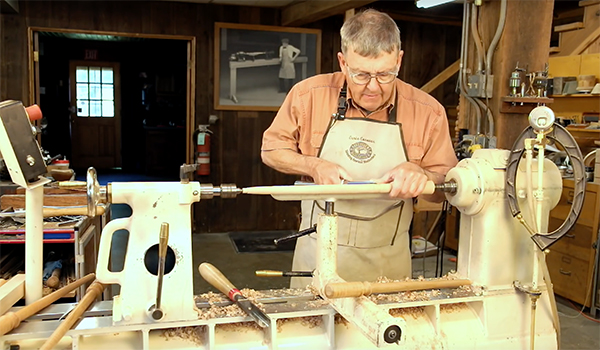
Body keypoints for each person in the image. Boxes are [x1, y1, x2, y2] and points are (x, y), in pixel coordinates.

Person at [261, 9, 458, 288]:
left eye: (385, 74)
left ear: (399, 60)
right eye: (361, 75)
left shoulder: (428, 112)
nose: (374, 87)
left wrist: (421, 175)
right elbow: (271, 149)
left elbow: (448, 187)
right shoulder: (308, 96)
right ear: (343, 62)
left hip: (388, 266)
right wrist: (313, 165)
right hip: (318, 258)